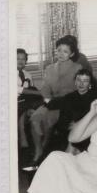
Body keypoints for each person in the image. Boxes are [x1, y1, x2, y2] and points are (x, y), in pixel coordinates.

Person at [29, 36, 83, 165]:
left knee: (54, 122)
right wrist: (47, 99)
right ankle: (39, 150)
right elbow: (45, 87)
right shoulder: (49, 68)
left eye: (65, 51)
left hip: (70, 103)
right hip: (53, 102)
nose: (61, 54)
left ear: (72, 54)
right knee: (35, 118)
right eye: (59, 50)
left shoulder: (78, 68)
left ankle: (48, 151)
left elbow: (81, 89)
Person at [45, 69, 97, 153]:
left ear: (90, 84)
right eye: (79, 80)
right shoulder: (69, 97)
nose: (81, 83)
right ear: (75, 82)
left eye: (85, 81)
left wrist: (78, 124)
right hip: (67, 132)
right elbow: (52, 105)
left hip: (88, 132)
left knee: (72, 148)